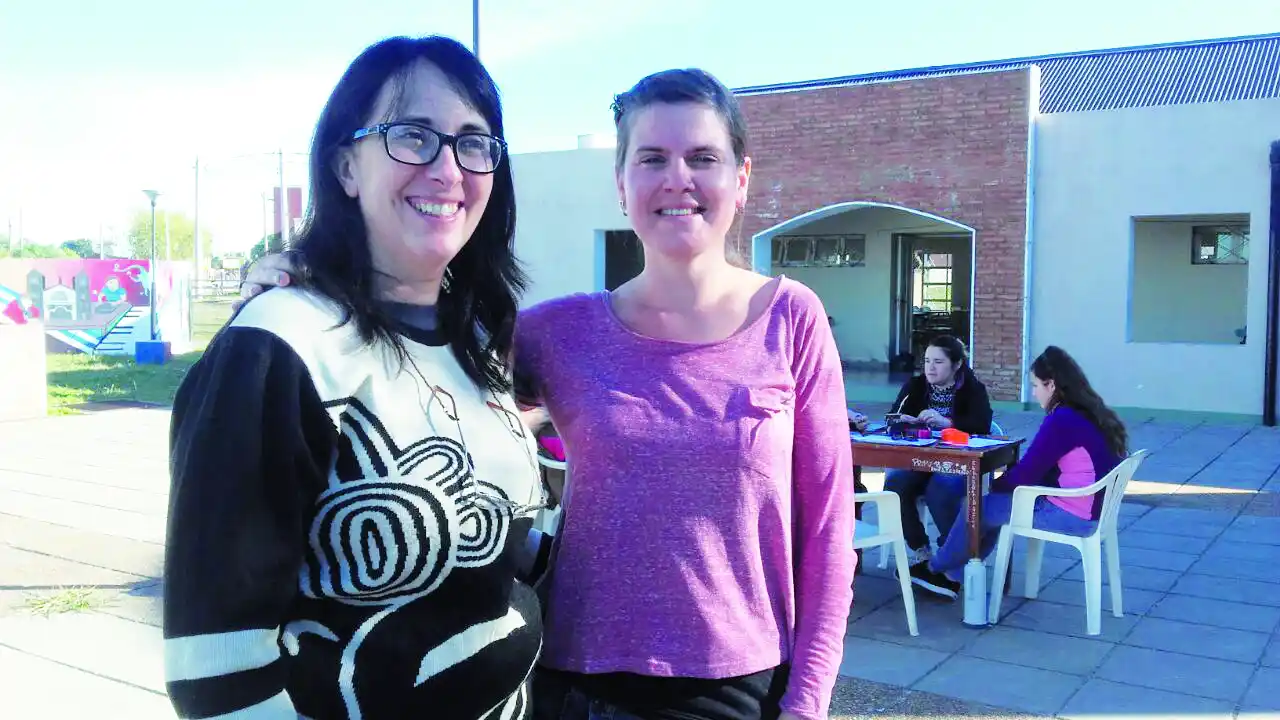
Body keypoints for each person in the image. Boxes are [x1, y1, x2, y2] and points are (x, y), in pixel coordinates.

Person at [242, 68, 856, 720]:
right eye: (651, 158)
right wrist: (309, 282)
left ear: (741, 180)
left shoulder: (792, 319)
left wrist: (807, 701)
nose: (678, 177)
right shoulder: (559, 332)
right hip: (576, 685)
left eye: (702, 157)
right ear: (621, 185)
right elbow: (409, 354)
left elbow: (828, 531)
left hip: (740, 687)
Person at [164, 36, 547, 720]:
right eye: (413, 136)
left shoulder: (479, 341)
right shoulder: (281, 341)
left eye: (473, 143)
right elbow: (216, 667)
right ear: (345, 164)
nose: (447, 168)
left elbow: (496, 544)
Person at [909, 346, 1126, 599]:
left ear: (1052, 385)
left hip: (1072, 513)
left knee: (980, 507)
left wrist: (997, 488)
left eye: (1036, 386)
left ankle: (935, 567)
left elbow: (1028, 472)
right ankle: (950, 575)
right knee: (992, 508)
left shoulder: (1062, 419)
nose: (1034, 393)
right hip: (1093, 509)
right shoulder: (1089, 413)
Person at [883, 335, 992, 589]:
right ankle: (921, 550)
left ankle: (952, 555)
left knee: (939, 489)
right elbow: (893, 415)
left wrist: (949, 424)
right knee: (896, 484)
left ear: (956, 365)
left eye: (939, 362)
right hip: (921, 459)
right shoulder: (916, 385)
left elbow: (983, 426)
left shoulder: (972, 389)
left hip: (958, 463)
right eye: (927, 361)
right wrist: (906, 421)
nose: (930, 368)